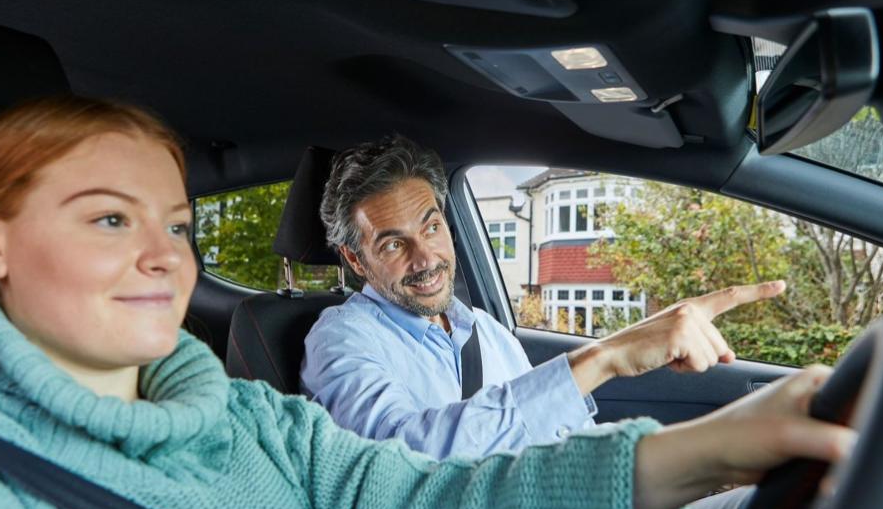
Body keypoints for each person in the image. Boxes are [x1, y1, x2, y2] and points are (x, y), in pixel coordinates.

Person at [0, 95, 852, 509]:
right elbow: (431, 456)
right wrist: (604, 356)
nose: (169, 259)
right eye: (109, 220)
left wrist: (707, 451)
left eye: (177, 225)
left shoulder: (256, 424)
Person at [303, 134, 785, 462]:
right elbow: (402, 458)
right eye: (392, 243)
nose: (425, 257)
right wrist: (606, 357)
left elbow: (557, 439)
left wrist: (700, 460)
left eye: (431, 226)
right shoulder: (342, 337)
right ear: (357, 259)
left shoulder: (485, 332)